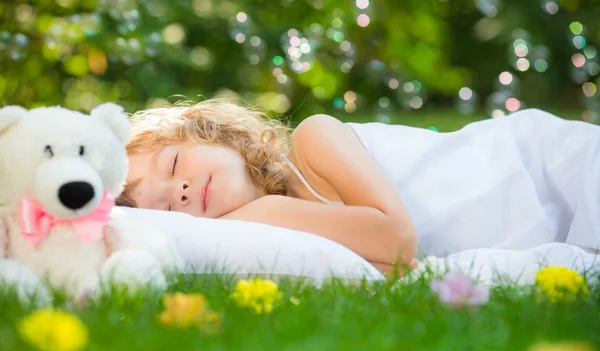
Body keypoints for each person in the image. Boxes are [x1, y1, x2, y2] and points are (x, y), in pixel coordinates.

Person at [117, 98, 600, 275]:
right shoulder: (277, 249)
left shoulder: (313, 140)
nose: (178, 191)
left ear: (208, 129)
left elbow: (395, 239)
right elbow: (397, 271)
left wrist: (261, 213)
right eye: (165, 207)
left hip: (543, 170)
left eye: (173, 162)